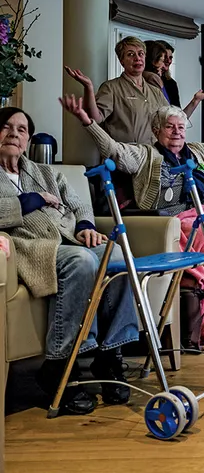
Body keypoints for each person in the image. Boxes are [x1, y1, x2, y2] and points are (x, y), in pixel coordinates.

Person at [60, 96, 204, 342]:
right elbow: (115, 151)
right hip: (173, 221)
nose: (176, 132)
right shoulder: (145, 155)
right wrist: (88, 123)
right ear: (156, 130)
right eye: (170, 127)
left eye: (181, 127)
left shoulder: (199, 151)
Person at [0, 107, 138, 415]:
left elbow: (78, 204)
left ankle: (110, 354)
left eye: (22, 129)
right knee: (80, 261)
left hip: (68, 240)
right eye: (6, 126)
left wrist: (86, 227)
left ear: (28, 140)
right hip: (29, 247)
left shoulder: (47, 172)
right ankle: (61, 366)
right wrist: (29, 201)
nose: (13, 133)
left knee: (117, 254)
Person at [64, 36, 204, 144]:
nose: (137, 58)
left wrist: (195, 100)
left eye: (140, 54)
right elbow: (96, 119)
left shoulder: (155, 91)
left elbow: (176, 119)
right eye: (130, 55)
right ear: (121, 60)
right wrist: (88, 88)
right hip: (123, 160)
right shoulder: (111, 87)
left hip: (153, 159)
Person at [155, 40, 181, 107]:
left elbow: (177, 114)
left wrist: (195, 100)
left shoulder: (171, 83)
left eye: (170, 58)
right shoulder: (143, 80)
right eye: (165, 57)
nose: (168, 61)